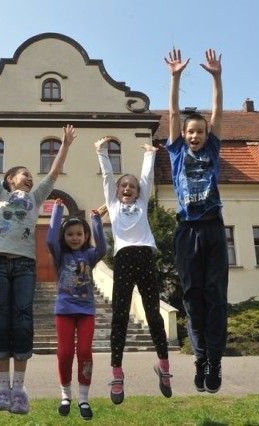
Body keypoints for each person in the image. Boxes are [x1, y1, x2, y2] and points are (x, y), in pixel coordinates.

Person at [0, 105, 76, 415]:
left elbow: (54, 173)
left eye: (31, 176)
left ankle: (19, 387)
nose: (29, 178)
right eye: (24, 175)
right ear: (9, 180)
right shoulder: (0, 195)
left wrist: (66, 145)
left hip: (26, 266)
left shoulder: (36, 198)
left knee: (22, 319)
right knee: (0, 319)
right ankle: (2, 386)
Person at [164, 47, 228, 394]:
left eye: (200, 131)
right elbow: (173, 111)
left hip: (213, 228)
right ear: (184, 134)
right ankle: (200, 357)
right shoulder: (175, 152)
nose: (195, 135)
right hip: (187, 231)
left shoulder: (213, 149)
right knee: (191, 295)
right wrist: (175, 77)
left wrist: (216, 77)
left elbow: (217, 111)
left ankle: (214, 360)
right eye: (190, 131)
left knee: (215, 294)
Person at [95, 137, 172, 404]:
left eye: (132, 186)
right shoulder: (114, 205)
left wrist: (150, 155)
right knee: (119, 317)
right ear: (117, 192)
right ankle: (117, 373)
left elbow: (146, 178)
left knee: (153, 313)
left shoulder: (141, 204)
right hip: (124, 260)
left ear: (139, 193)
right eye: (124, 186)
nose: (128, 187)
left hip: (145, 258)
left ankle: (163, 367)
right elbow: (107, 177)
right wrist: (101, 152)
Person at [46, 198, 107, 420]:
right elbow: (50, 240)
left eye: (79, 234)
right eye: (70, 234)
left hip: (86, 311)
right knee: (64, 353)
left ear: (85, 236)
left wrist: (96, 221)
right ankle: (65, 395)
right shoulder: (60, 255)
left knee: (83, 352)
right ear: (64, 237)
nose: (74, 238)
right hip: (64, 309)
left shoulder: (89, 256)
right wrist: (57, 211)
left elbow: (103, 248)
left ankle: (83, 398)